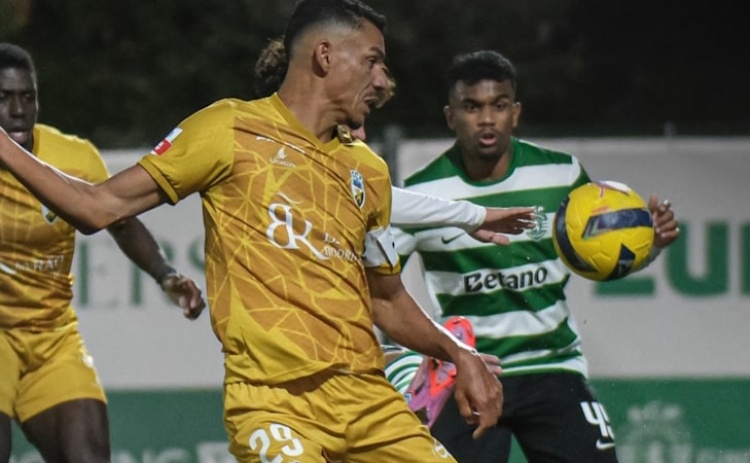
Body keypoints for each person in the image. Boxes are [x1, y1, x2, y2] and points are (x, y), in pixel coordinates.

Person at [0, 2, 506, 462]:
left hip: (369, 402)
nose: (381, 80)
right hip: (275, 406)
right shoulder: (229, 130)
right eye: (372, 61)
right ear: (325, 55)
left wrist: (458, 353)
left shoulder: (367, 171)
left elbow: (387, 299)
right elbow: (97, 207)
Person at [391, 50, 680, 463]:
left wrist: (648, 248)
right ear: (451, 117)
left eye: (499, 105)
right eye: (472, 107)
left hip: (552, 366)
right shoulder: (423, 193)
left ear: (516, 112)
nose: (487, 119)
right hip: (470, 373)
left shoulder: (561, 176)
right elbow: (380, 287)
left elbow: (598, 259)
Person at [0, 43, 206, 463]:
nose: (18, 110)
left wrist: (164, 273)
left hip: (50, 336)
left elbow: (121, 222)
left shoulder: (73, 159)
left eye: (27, 97)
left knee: (88, 455)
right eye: (3, 98)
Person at [253, 36, 536, 244]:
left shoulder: (343, 200)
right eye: (350, 121)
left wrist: (470, 216)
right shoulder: (242, 153)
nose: (361, 136)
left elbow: (388, 296)